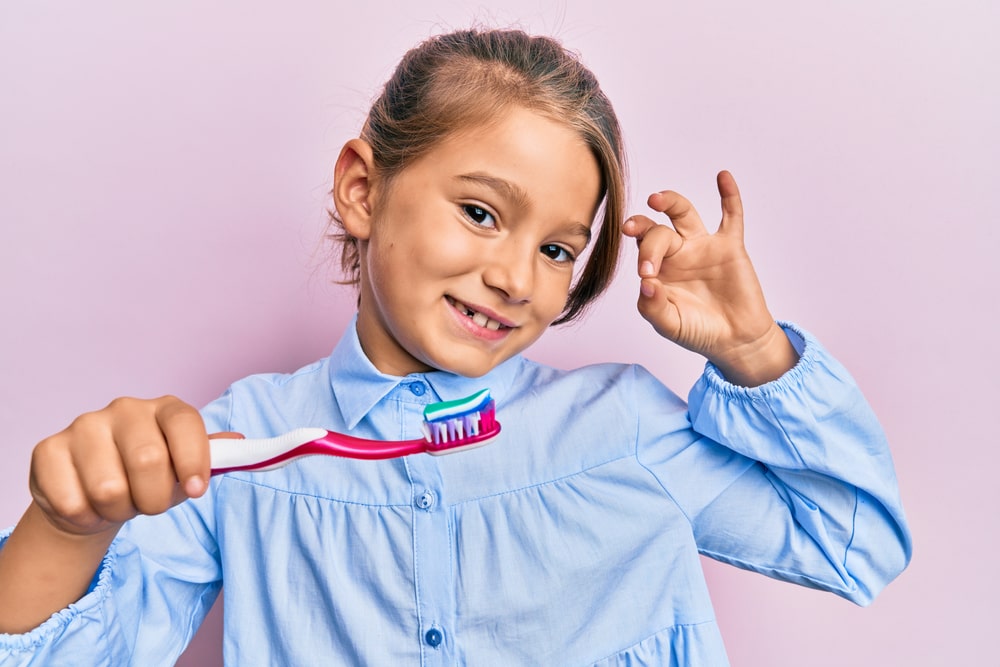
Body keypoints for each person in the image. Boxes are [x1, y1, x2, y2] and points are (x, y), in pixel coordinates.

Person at [0, 28, 910, 666]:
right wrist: (65, 526)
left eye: (558, 249)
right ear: (362, 188)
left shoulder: (625, 428)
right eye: (480, 212)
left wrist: (754, 350)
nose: (518, 277)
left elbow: (853, 545)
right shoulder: (237, 454)